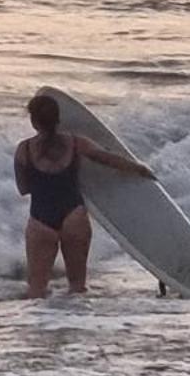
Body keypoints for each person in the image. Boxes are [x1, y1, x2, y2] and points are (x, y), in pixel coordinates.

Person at [15, 93, 153, 297]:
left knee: (36, 289)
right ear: (58, 119)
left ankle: (44, 325)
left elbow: (23, 188)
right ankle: (76, 323)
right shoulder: (76, 143)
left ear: (33, 121)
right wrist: (139, 169)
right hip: (74, 216)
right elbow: (108, 159)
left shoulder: (24, 150)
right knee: (77, 287)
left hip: (40, 221)